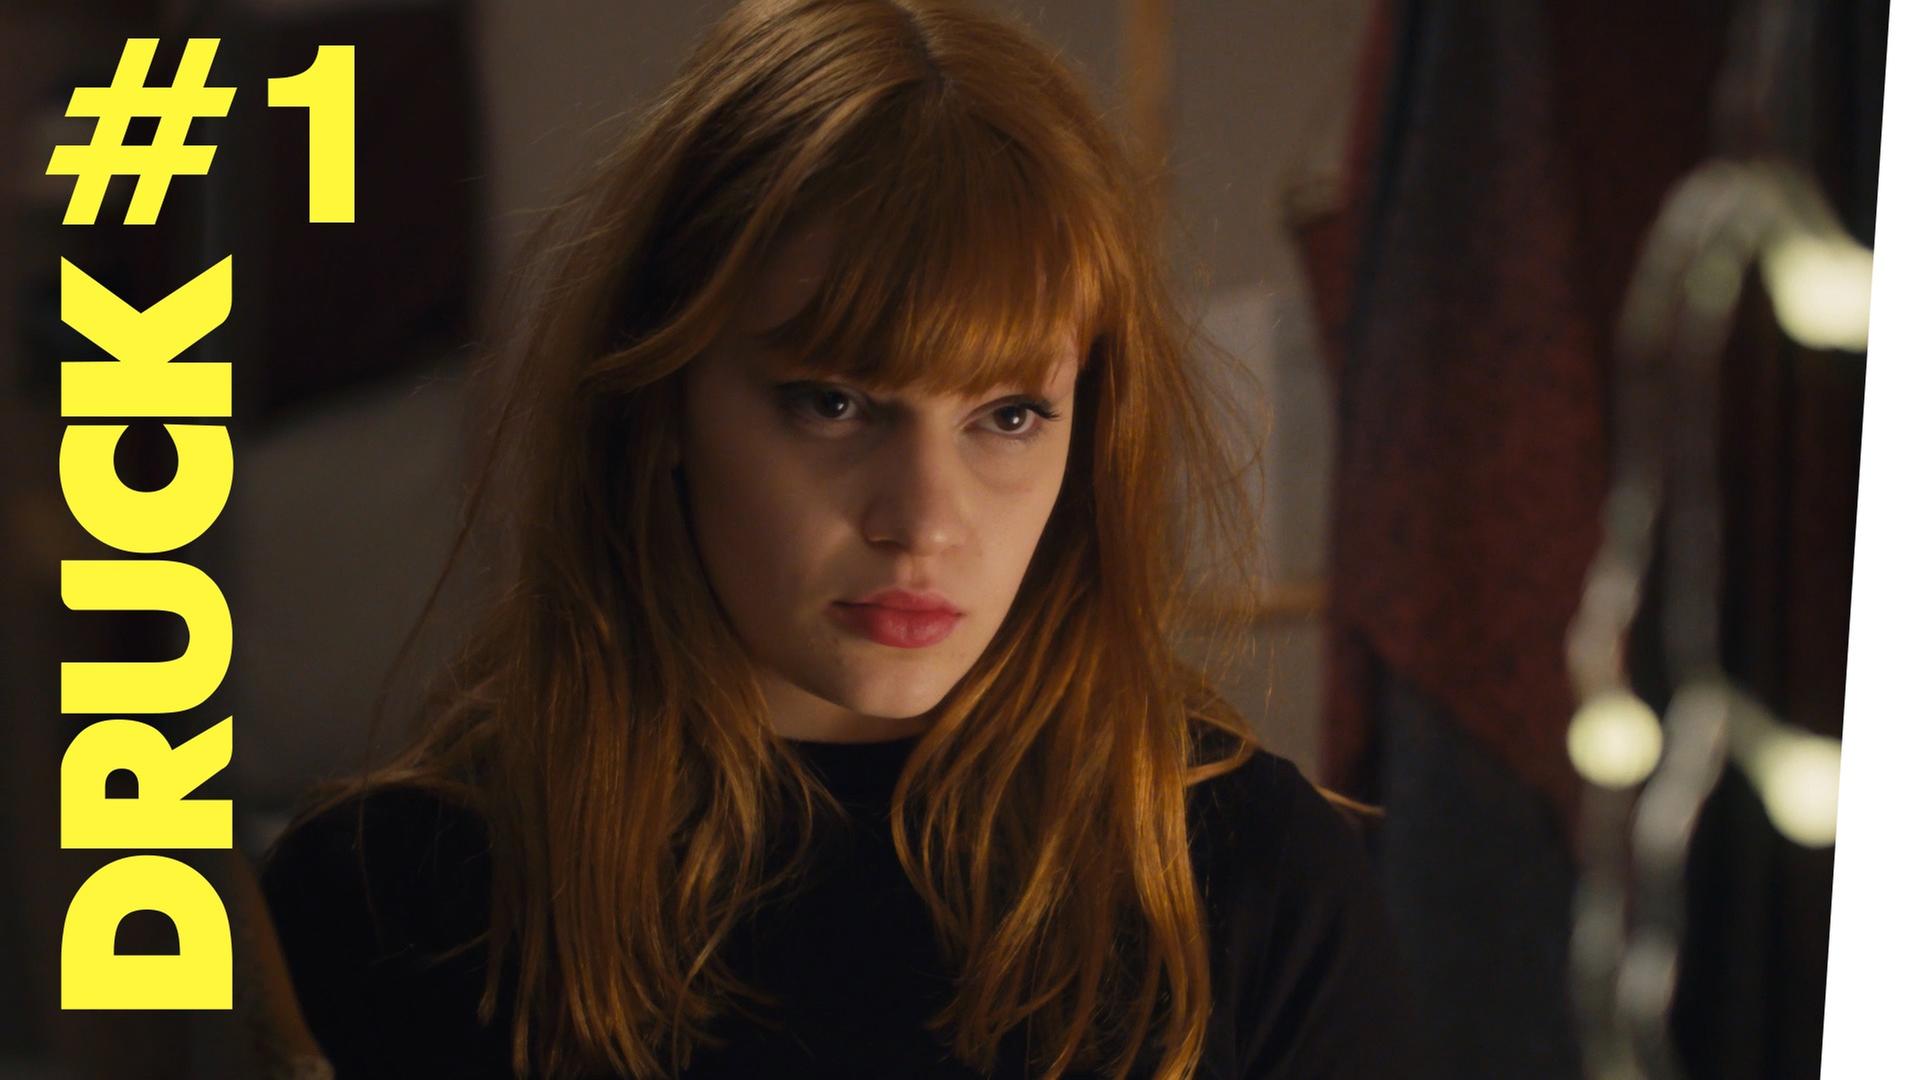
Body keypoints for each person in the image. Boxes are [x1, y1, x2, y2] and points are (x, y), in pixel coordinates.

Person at [258, 0, 1422, 1076]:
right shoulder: (394, 900)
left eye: (1009, 417)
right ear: (663, 400)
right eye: (836, 403)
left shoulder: (1250, 886)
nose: (923, 523)